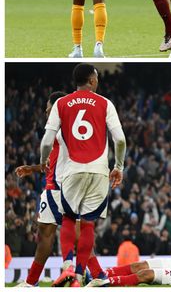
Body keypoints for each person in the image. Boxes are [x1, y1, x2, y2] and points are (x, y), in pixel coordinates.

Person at [40, 63, 127, 286]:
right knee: (88, 224)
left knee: (69, 218)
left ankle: (67, 267)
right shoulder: (106, 103)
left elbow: (47, 141)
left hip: (71, 171)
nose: (98, 81)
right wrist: (119, 166)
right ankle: (79, 276)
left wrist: (43, 162)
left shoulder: (61, 103)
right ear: (91, 80)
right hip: (99, 171)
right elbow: (120, 140)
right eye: (96, 77)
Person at [13, 92, 106, 287]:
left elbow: (50, 151)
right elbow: (56, 159)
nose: (46, 110)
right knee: (79, 234)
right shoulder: (75, 128)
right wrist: (33, 168)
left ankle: (33, 282)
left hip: (57, 188)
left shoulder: (57, 126)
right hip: (73, 185)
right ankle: (97, 275)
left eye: (48, 106)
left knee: (46, 235)